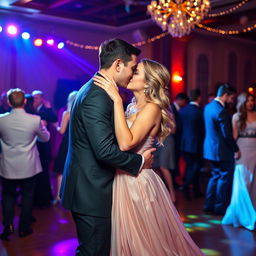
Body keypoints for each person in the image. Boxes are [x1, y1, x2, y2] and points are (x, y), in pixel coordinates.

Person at [94, 59, 204, 256]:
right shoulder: (133, 106)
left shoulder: (152, 108)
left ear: (147, 83)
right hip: (123, 177)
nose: (130, 73)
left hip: (137, 182)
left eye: (136, 72)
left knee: (144, 244)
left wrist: (116, 100)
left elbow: (127, 143)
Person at [60, 39, 155, 256]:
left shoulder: (96, 90)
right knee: (94, 251)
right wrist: (140, 161)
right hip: (90, 191)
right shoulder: (97, 95)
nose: (132, 73)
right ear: (119, 64)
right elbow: (104, 151)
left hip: (90, 186)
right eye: (132, 67)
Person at [0, 89, 50, 240]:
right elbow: (45, 138)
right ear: (25, 101)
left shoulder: (1, 119)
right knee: (27, 197)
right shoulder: (34, 119)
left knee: (8, 197)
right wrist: (43, 127)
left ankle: (8, 226)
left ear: (8, 102)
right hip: (28, 166)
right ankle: (24, 228)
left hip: (7, 166)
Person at [203, 83, 240, 215]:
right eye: (231, 98)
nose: (232, 101)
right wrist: (236, 149)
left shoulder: (208, 107)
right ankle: (219, 207)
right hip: (221, 151)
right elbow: (227, 135)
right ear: (225, 95)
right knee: (223, 178)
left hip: (209, 149)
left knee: (214, 176)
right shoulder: (221, 111)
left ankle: (208, 205)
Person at [222, 92, 256, 230]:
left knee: (253, 182)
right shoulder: (236, 116)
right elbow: (234, 136)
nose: (251, 103)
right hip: (242, 150)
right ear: (243, 102)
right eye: (248, 101)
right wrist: (234, 151)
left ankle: (252, 211)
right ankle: (244, 216)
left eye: (252, 100)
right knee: (243, 181)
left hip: (255, 150)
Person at [32, 90, 57, 207]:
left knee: (43, 172)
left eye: (36, 98)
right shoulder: (31, 109)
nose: (34, 100)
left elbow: (54, 119)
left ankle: (44, 199)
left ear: (41, 99)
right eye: (33, 98)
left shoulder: (45, 109)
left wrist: (48, 108)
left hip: (44, 145)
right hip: (34, 145)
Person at [53, 90, 78, 205]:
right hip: (78, 143)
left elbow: (62, 131)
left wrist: (55, 126)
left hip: (67, 144)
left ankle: (58, 196)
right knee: (76, 170)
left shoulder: (67, 113)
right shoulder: (82, 112)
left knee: (61, 170)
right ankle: (75, 197)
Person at [180, 89, 205, 200]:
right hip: (195, 143)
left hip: (184, 143)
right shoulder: (199, 111)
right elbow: (202, 129)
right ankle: (186, 186)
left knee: (190, 166)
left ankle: (196, 191)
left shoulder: (183, 110)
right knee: (196, 166)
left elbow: (180, 127)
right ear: (198, 98)